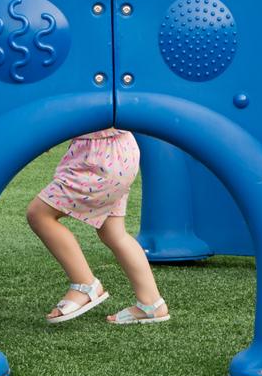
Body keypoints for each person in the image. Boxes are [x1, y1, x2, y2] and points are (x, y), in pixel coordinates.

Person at [26, 127, 170, 326]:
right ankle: (151, 304)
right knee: (114, 233)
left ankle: (84, 284)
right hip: (122, 150)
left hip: (98, 157)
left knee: (40, 215)